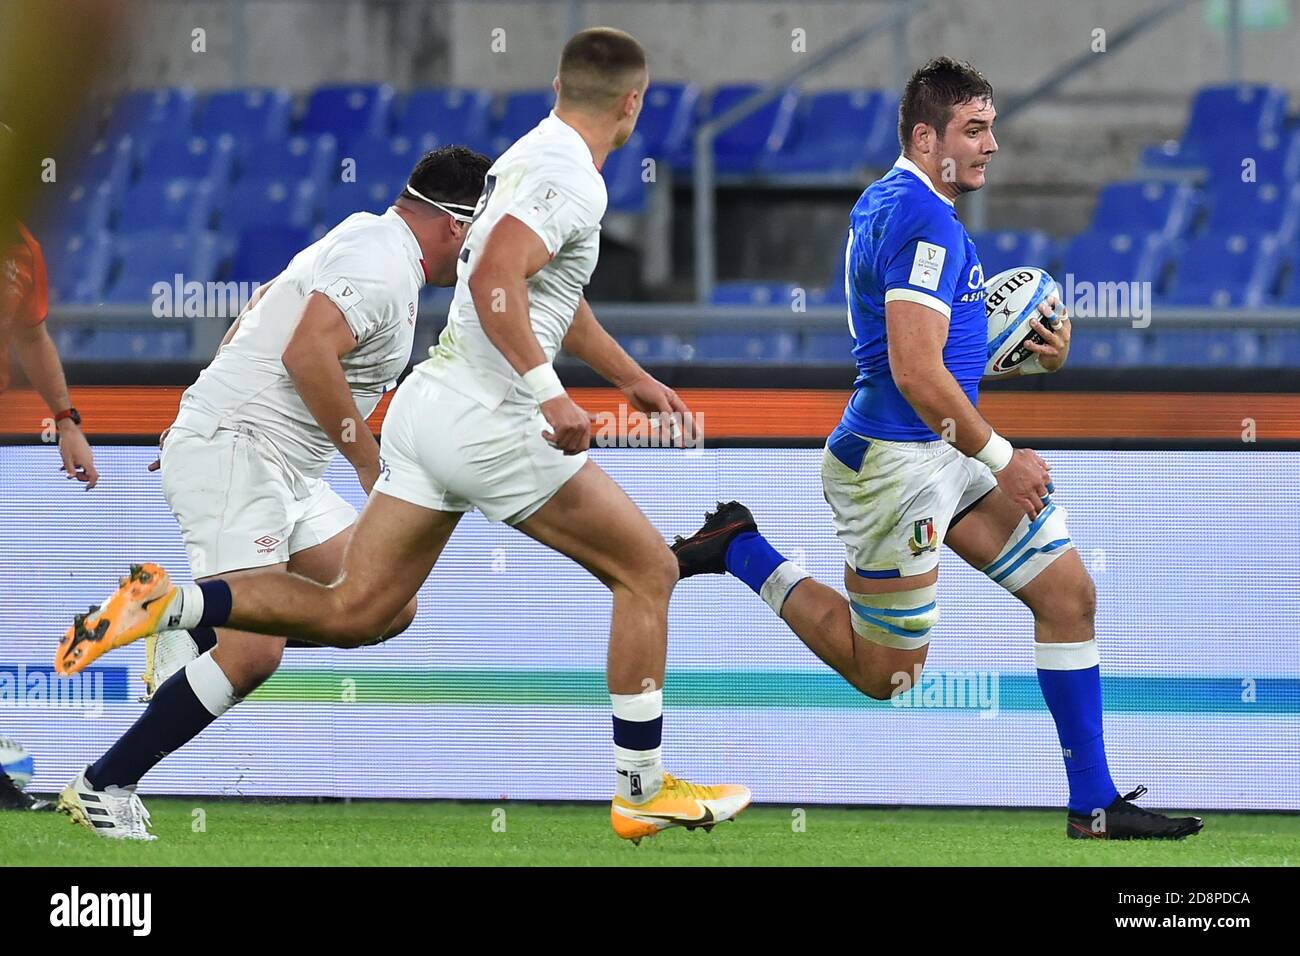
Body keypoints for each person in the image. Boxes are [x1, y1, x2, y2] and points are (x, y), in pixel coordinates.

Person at [54, 28, 750, 844]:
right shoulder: (552, 187)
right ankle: (640, 790)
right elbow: (490, 283)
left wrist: (625, 373)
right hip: (459, 424)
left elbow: (537, 285)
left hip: (421, 415)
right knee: (647, 571)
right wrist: (548, 391)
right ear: (635, 103)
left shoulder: (521, 161)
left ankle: (171, 611)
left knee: (368, 609)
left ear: (558, 82)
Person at [671, 58, 1201, 841]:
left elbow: (934, 354)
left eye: (992, 127)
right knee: (887, 674)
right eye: (974, 129)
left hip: (940, 448)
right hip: (894, 467)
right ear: (927, 137)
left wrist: (1029, 355)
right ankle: (742, 548)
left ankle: (1095, 805)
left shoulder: (895, 203)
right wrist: (1004, 457)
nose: (992, 145)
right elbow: (916, 370)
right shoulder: (925, 220)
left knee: (1068, 595)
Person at [55, 145, 490, 839]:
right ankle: (104, 783)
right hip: (241, 450)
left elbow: (260, 309)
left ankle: (189, 621)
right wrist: (365, 459)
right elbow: (303, 351)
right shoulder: (382, 265)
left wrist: (201, 403)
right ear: (456, 227)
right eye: (479, 237)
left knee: (385, 603)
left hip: (278, 460)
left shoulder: (367, 239)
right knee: (255, 653)